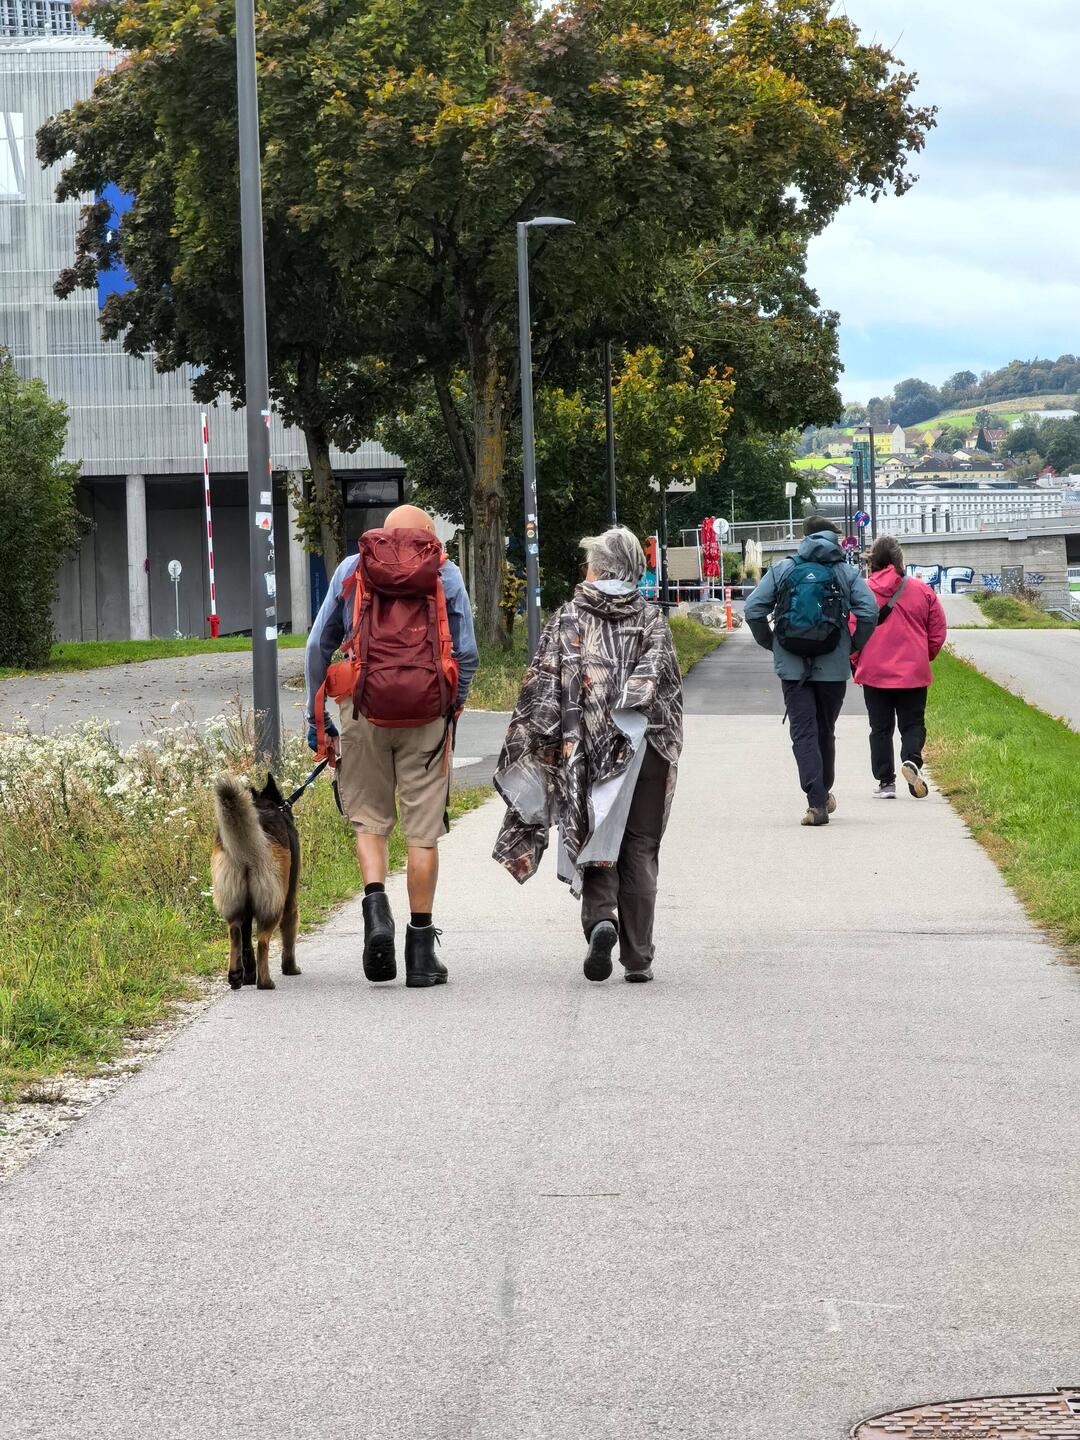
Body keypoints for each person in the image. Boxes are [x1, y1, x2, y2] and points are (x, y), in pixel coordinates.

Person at [493, 527, 683, 984]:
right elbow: (668, 686)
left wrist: (539, 745)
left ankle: (600, 920)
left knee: (596, 836)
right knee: (640, 844)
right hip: (645, 745)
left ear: (599, 568)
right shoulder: (652, 618)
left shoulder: (568, 617)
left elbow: (541, 688)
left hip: (585, 744)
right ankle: (638, 958)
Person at [305, 505, 478, 987]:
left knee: (370, 820)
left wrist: (315, 716)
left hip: (363, 708)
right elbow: (465, 652)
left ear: (384, 533)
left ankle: (376, 906)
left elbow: (319, 644)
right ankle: (421, 953)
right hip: (427, 716)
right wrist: (452, 705)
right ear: (427, 537)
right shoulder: (445, 572)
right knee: (421, 833)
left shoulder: (353, 567)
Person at [744, 515, 877, 826]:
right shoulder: (845, 571)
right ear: (833, 539)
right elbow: (868, 610)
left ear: (804, 538)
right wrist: (852, 645)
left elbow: (753, 609)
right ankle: (823, 790)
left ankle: (816, 802)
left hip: (792, 666)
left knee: (803, 732)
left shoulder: (783, 568)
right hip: (833, 665)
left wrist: (772, 643)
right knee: (824, 730)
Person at [851, 536, 947, 799]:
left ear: (874, 561)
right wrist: (923, 655)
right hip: (912, 672)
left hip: (874, 672)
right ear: (898, 559)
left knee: (880, 728)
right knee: (913, 723)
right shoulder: (921, 590)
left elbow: (852, 630)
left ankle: (886, 782)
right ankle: (912, 759)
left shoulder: (863, 591)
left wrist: (858, 660)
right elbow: (938, 630)